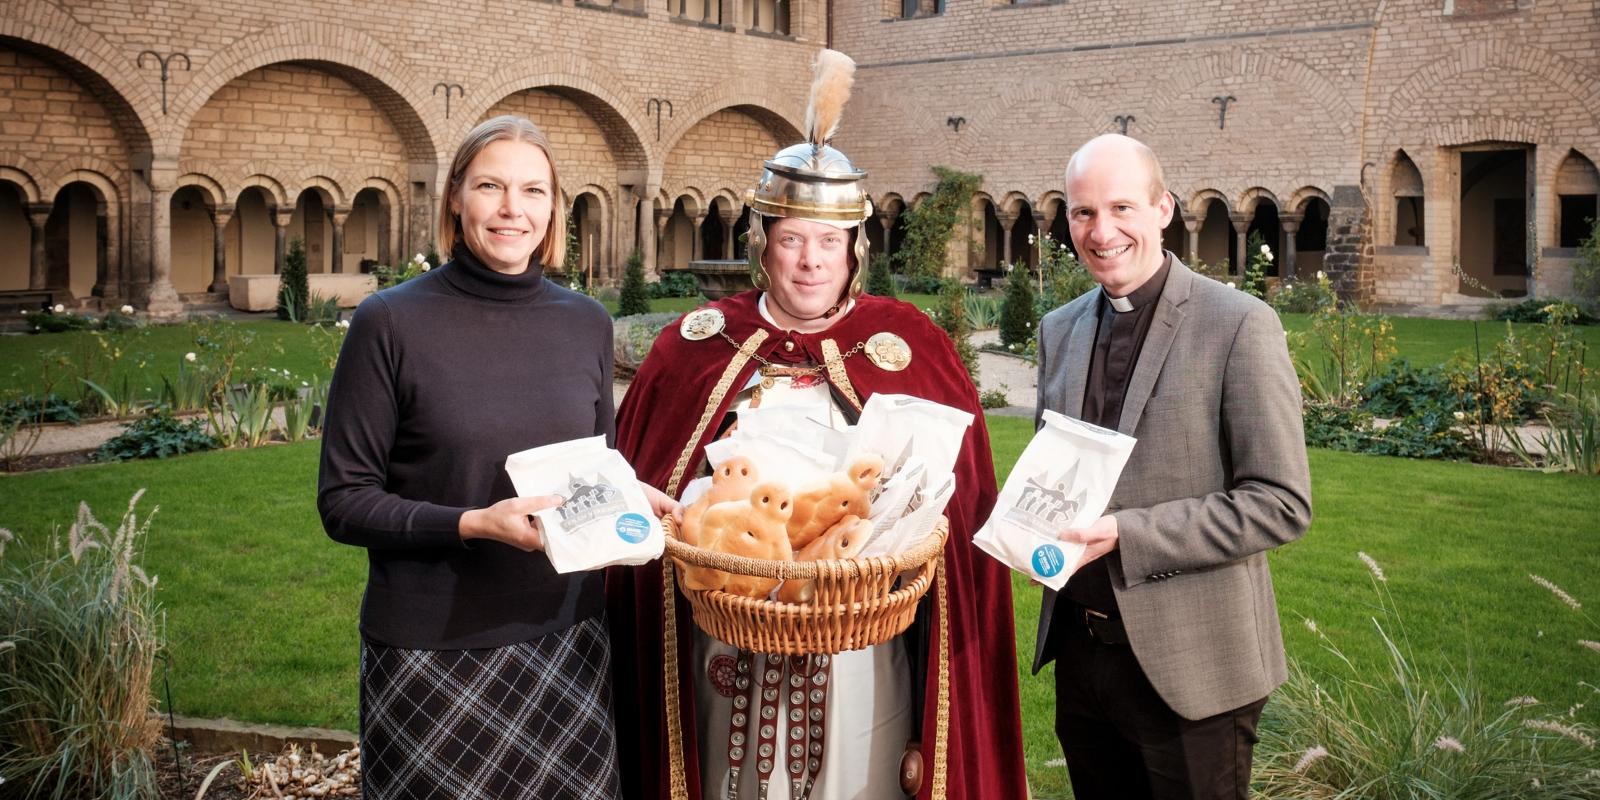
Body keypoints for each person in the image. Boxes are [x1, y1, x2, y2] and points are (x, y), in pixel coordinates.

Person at [606, 50, 1028, 800]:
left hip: (863, 639)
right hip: (723, 634)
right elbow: (646, 487)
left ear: (855, 250)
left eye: (828, 242)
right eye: (793, 238)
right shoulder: (694, 346)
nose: (809, 262)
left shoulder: (908, 345)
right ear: (762, 243)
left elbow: (958, 516)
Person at [318, 114, 674, 799]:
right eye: (491, 186)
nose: (514, 209)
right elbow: (343, 501)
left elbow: (592, 466)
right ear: (456, 197)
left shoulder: (585, 323)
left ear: (554, 207)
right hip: (433, 648)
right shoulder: (390, 322)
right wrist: (473, 523)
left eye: (534, 190)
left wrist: (631, 494)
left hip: (568, 636)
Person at [1031, 132, 1313, 799]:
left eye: (1122, 208)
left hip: (1194, 669)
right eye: (1083, 213)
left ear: (1164, 209)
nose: (1102, 232)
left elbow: (1280, 502)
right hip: (1080, 652)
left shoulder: (1238, 324)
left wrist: (1131, 533)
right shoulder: (1059, 329)